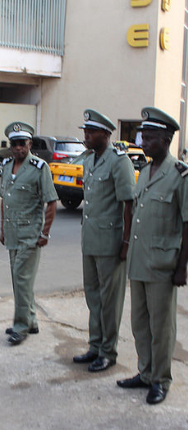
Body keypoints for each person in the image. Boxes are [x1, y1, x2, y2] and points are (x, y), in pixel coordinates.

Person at [117, 107, 188, 405]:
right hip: (139, 262)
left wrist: (182, 268)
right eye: (142, 136)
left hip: (163, 265)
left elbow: (187, 224)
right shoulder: (144, 171)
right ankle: (145, 373)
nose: (143, 141)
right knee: (139, 323)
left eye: (150, 137)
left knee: (162, 327)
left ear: (166, 139)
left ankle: (161, 379)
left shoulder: (180, 175)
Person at [73, 109, 135, 372]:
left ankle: (108, 352)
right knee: (93, 297)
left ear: (106, 134)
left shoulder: (118, 161)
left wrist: (126, 244)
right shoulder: (89, 160)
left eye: (91, 132)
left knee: (110, 301)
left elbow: (128, 205)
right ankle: (95, 345)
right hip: (90, 241)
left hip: (111, 244)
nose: (86, 136)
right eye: (85, 131)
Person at [0, 121, 58, 346]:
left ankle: (21, 326)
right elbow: (5, 200)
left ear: (30, 143)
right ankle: (30, 320)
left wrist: (45, 233)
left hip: (30, 235)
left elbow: (51, 203)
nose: (18, 148)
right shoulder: (6, 167)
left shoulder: (40, 168)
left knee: (22, 281)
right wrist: (2, 229)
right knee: (19, 281)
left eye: (22, 143)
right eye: (14, 144)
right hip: (13, 234)